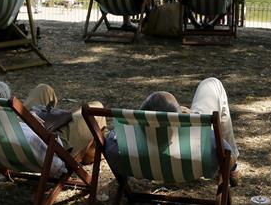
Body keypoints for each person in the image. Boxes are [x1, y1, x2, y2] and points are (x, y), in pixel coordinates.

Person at [103, 78, 242, 185]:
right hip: (189, 153)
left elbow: (109, 140)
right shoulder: (208, 143)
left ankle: (179, 112)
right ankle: (234, 170)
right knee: (212, 83)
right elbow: (227, 158)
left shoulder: (117, 146)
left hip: (148, 159)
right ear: (177, 123)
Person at [0, 77, 106, 174]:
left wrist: (25, 121)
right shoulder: (24, 137)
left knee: (44, 89)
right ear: (0, 111)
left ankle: (89, 150)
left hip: (19, 129)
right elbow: (52, 161)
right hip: (53, 145)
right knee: (96, 108)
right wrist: (35, 127)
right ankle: (89, 155)